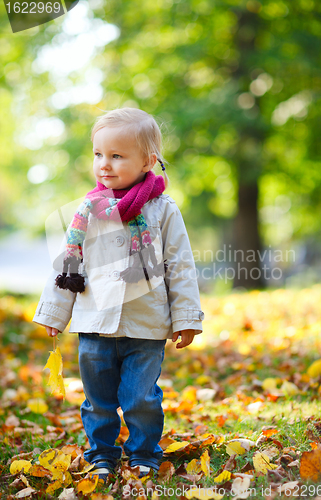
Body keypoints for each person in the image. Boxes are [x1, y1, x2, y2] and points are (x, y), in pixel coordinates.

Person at [33, 107, 204, 480]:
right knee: (98, 400)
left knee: (141, 398)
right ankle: (102, 453)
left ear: (147, 160)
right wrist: (54, 314)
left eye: (116, 156)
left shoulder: (163, 210)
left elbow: (180, 265)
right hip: (94, 323)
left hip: (146, 325)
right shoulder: (88, 212)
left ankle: (143, 452)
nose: (104, 165)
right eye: (98, 154)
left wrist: (187, 318)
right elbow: (66, 266)